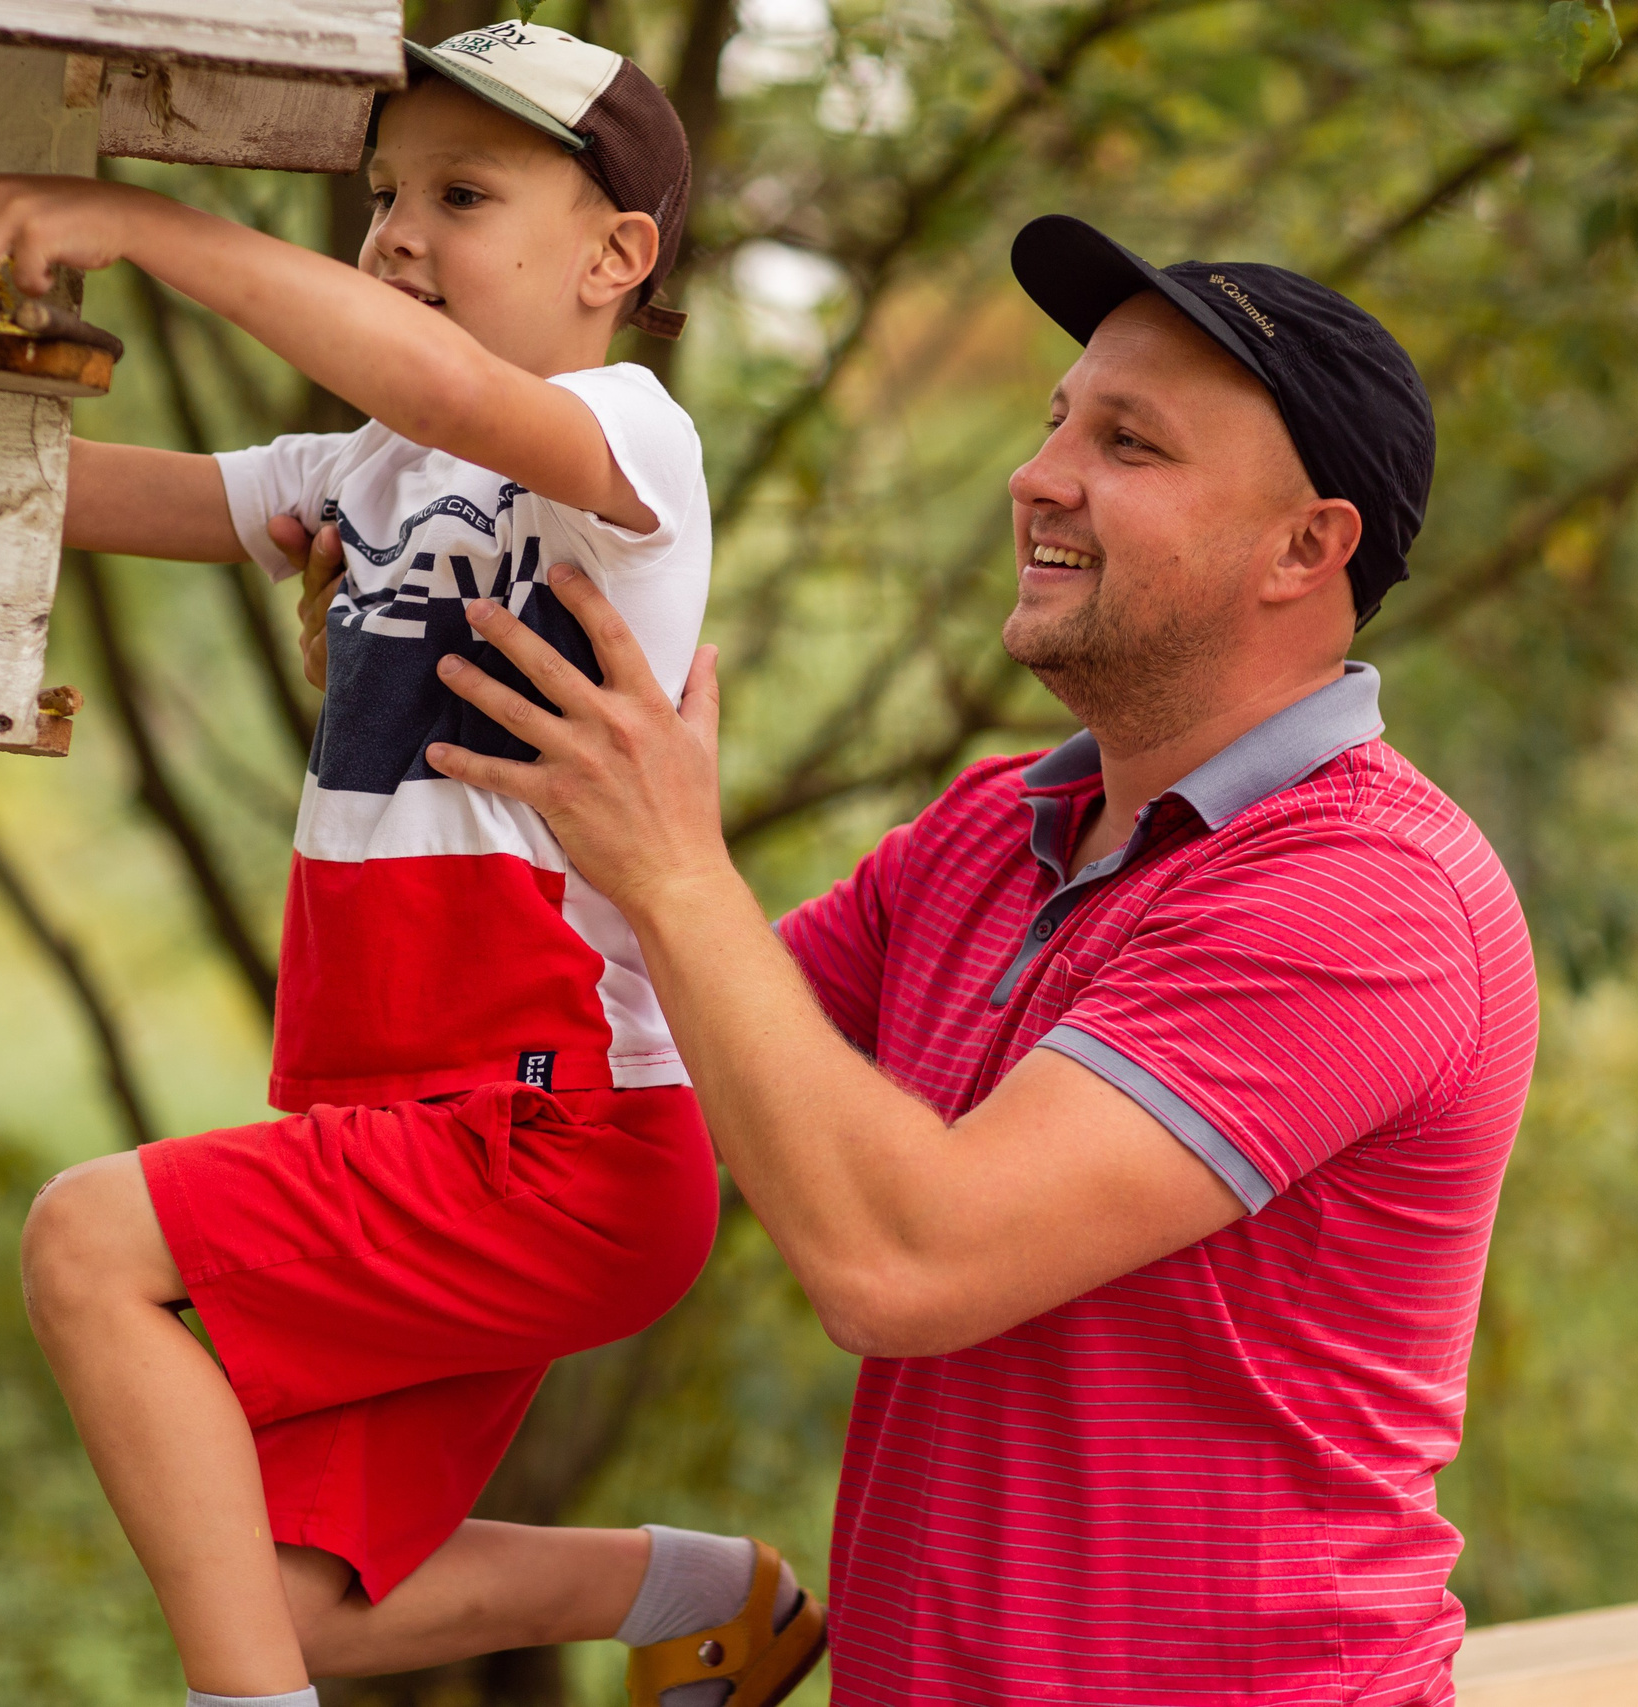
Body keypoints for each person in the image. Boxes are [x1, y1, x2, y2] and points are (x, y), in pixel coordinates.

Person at [343, 214, 1541, 1703]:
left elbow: (905, 1263)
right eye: (1057, 421)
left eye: (1129, 443)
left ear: (1308, 548)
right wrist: (405, 660)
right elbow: (628, 1068)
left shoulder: (1365, 896)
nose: (1039, 475)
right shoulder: (991, 830)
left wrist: (674, 866)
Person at [0, 23, 826, 1707]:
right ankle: (702, 1595)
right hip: (415, 1115)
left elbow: (451, 389)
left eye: (460, 197)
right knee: (286, 1597)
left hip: (555, 1127)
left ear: (616, 258)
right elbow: (81, 493)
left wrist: (147, 225)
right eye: (382, 196)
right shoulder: (369, 467)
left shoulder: (628, 441)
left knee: (86, 1245)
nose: (399, 235)